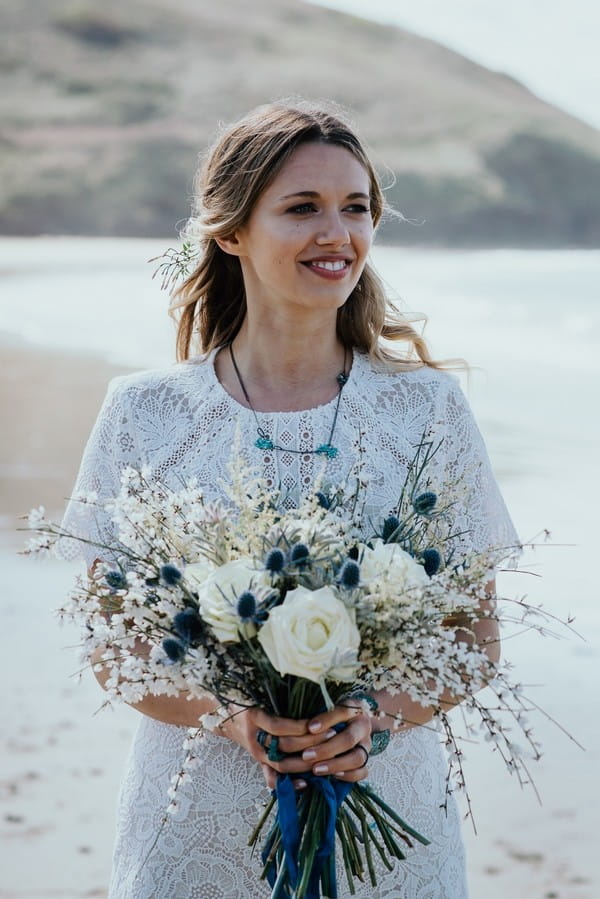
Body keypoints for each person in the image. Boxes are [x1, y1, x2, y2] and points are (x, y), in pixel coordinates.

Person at [61, 100, 519, 897]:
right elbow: (111, 645)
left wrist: (375, 716)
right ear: (231, 230)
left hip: (390, 811)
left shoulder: (429, 411)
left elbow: (474, 637)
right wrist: (228, 714)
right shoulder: (144, 412)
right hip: (198, 817)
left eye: (356, 208)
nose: (337, 233)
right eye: (302, 208)